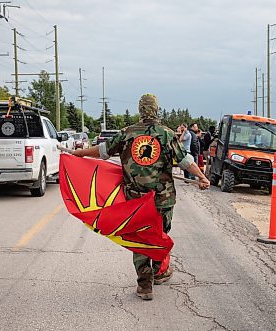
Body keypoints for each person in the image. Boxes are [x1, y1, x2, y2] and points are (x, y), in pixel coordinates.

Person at [64, 94, 209, 301]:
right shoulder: (167, 134)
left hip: (135, 200)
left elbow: (102, 152)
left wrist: (79, 154)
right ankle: (159, 271)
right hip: (163, 200)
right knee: (158, 234)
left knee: (140, 237)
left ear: (140, 110)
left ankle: (144, 285)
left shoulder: (126, 133)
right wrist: (202, 177)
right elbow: (185, 162)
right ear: (157, 110)